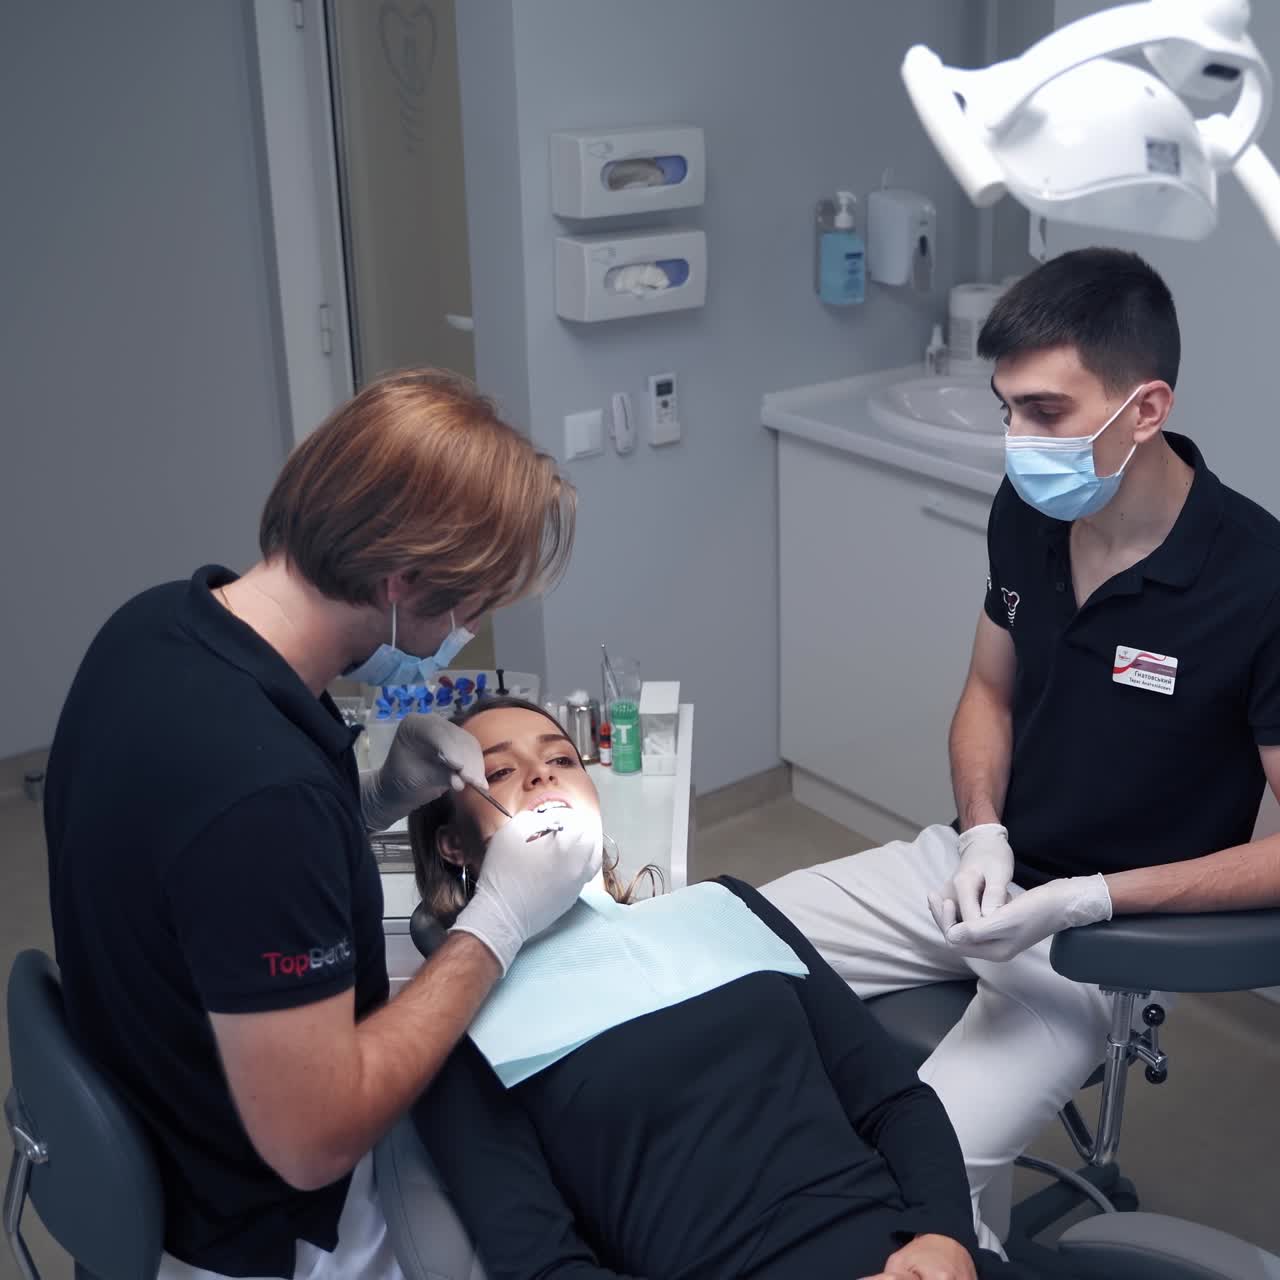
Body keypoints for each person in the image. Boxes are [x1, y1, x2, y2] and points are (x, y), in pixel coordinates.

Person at [760, 247, 1280, 1249]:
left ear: (1144, 408)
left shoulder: (1256, 582)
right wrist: (982, 832)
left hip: (1095, 948)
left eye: (1043, 411)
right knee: (716, 947)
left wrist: (1087, 900)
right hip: (968, 873)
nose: (1015, 441)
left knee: (915, 1176)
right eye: (1005, 409)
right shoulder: (1030, 511)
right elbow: (987, 693)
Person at [44, 371, 603, 1280]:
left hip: (168, 1102)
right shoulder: (263, 798)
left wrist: (371, 798)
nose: (471, 628)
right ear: (400, 582)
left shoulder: (155, 626)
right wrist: (495, 923)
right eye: (473, 605)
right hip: (252, 1225)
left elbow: (199, 872)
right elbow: (314, 1142)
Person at [407, 699, 1082, 1280]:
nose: (542, 774)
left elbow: (895, 1101)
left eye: (561, 758)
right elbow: (546, 1268)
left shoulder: (724, 908)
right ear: (452, 847)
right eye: (500, 771)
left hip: (916, 1258)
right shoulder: (456, 1030)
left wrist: (943, 1234)